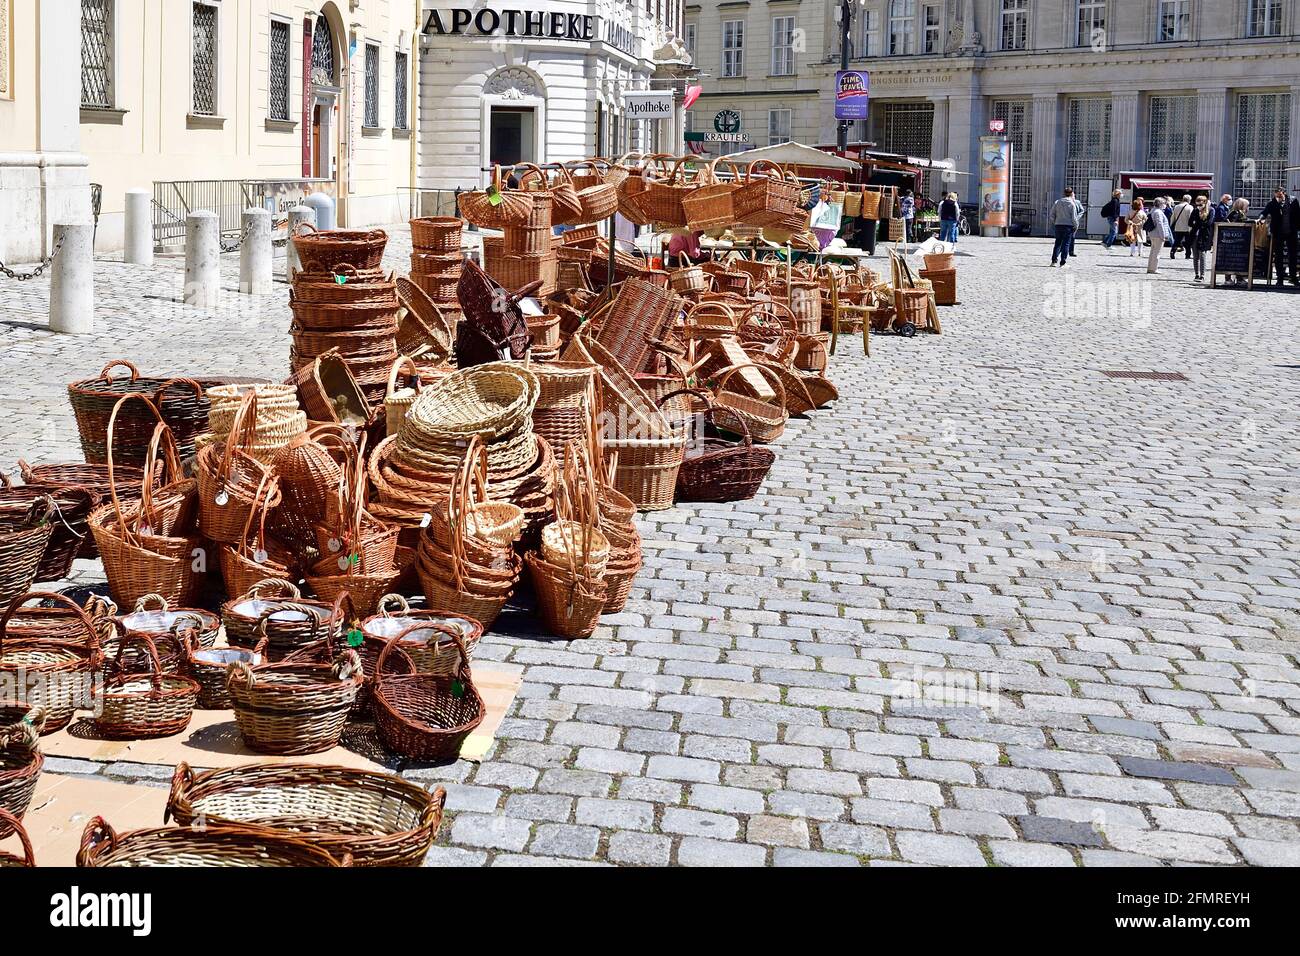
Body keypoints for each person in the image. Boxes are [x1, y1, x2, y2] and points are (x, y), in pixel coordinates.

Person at [1262, 186, 1300, 287]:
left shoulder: (1293, 201)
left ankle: (1293, 277)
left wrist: (1297, 227)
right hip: (1278, 232)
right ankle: (1280, 278)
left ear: (1284, 193)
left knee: (1293, 255)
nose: (1278, 198)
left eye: (1279, 195)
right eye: (1276, 196)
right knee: (1278, 256)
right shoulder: (1273, 202)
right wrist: (1260, 219)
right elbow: (1265, 212)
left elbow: (1298, 215)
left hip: (1291, 231)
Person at [1048, 187, 1080, 267]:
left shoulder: (1057, 202)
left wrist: (1055, 222)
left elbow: (1051, 214)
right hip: (1068, 226)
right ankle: (1063, 262)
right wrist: (1076, 226)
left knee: (1057, 243)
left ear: (1064, 193)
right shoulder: (1072, 204)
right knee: (1066, 244)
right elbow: (1074, 217)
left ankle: (1054, 261)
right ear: (1071, 193)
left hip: (1058, 225)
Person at [1188, 195, 1217, 282]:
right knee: (1195, 256)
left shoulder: (1211, 210)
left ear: (1205, 203)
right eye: (1197, 204)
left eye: (1200, 204)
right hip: (1195, 235)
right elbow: (1190, 222)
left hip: (1205, 236)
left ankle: (1202, 275)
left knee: (1202, 255)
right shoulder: (1195, 210)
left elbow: (1209, 223)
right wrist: (1198, 224)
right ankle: (1196, 274)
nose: (1198, 206)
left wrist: (1197, 223)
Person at [1147, 197, 1173, 274]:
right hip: (1158, 234)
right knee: (1157, 252)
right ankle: (1154, 268)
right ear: (1161, 204)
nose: (1165, 205)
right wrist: (1163, 235)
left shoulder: (1153, 210)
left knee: (1152, 251)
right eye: (1164, 203)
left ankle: (1150, 267)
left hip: (1153, 234)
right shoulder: (1158, 212)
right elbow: (1160, 224)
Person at [1170, 194, 1195, 259]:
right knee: (1188, 242)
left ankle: (1172, 252)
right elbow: (1191, 218)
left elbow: (1173, 217)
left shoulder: (1177, 206)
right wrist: (1192, 226)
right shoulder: (1190, 207)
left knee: (1177, 241)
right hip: (1187, 228)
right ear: (1189, 200)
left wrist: (1171, 224)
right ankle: (1188, 254)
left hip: (1178, 227)